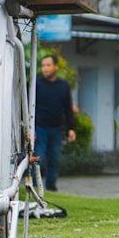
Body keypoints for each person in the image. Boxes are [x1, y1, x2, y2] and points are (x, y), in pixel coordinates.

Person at [35, 54, 76, 192]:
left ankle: (51, 187)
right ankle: (35, 186)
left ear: (55, 67)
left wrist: (71, 128)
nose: (45, 68)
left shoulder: (63, 86)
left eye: (48, 65)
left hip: (56, 129)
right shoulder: (36, 84)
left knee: (54, 159)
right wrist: (30, 128)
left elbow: (67, 108)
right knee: (38, 159)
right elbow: (27, 106)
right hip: (39, 128)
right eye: (43, 65)